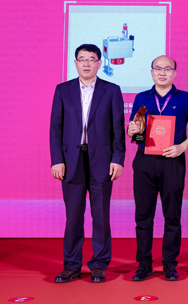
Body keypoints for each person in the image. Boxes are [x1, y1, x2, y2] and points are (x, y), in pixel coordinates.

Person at [50, 44, 125, 283]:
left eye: (91, 59)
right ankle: (71, 265)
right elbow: (55, 128)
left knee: (101, 216)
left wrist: (117, 159)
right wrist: (57, 160)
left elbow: (118, 129)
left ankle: (99, 265)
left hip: (102, 160)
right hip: (71, 161)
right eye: (81, 59)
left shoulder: (111, 90)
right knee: (73, 216)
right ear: (75, 63)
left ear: (99, 64)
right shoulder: (63, 90)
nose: (86, 63)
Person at [127, 55, 188, 282]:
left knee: (172, 215)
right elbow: (132, 129)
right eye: (158, 68)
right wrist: (131, 130)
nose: (162, 72)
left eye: (167, 69)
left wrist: (183, 146)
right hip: (145, 161)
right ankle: (144, 263)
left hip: (173, 161)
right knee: (143, 215)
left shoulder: (185, 98)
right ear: (151, 72)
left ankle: (170, 263)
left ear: (175, 73)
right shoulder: (141, 97)